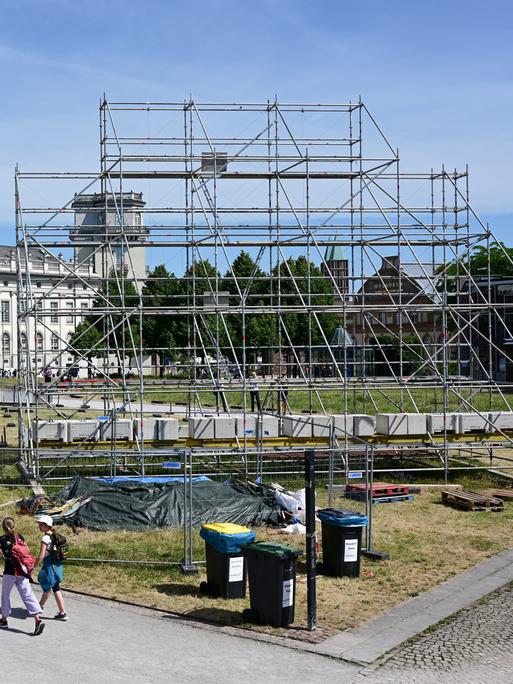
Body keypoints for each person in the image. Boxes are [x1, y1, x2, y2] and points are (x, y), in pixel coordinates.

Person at [0, 516, 45, 635]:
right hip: (22, 571)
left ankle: (4, 620)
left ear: (3, 527)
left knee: (5, 595)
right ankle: (37, 620)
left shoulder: (2, 539)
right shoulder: (19, 536)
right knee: (27, 595)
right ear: (14, 525)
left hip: (10, 571)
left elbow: (4, 555)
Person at [35, 515, 67, 621]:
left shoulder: (45, 538)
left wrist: (35, 565)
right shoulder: (54, 535)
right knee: (54, 587)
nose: (39, 526)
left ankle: (39, 608)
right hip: (56, 565)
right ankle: (61, 612)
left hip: (49, 566)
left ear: (46, 526)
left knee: (48, 587)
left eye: (41, 524)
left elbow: (41, 555)